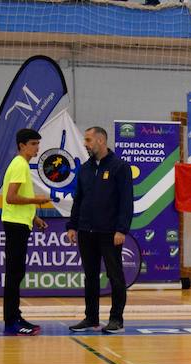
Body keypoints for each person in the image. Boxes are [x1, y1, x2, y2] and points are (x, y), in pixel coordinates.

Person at [67, 127, 133, 334]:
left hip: (109, 233)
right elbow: (78, 200)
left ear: (101, 140)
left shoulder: (119, 167)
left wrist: (121, 230)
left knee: (115, 276)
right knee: (90, 276)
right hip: (86, 232)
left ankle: (116, 320)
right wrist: (72, 225)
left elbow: (126, 202)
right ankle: (91, 318)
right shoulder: (85, 168)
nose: (85, 144)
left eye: (88, 140)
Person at [1, 128, 49, 336]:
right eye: (33, 144)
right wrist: (36, 200)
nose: (37, 148)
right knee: (14, 274)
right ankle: (12, 321)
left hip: (20, 222)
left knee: (16, 272)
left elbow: (17, 198)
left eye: (38, 144)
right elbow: (11, 197)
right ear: (22, 145)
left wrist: (34, 217)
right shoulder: (20, 164)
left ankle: (15, 316)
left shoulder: (21, 165)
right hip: (15, 225)